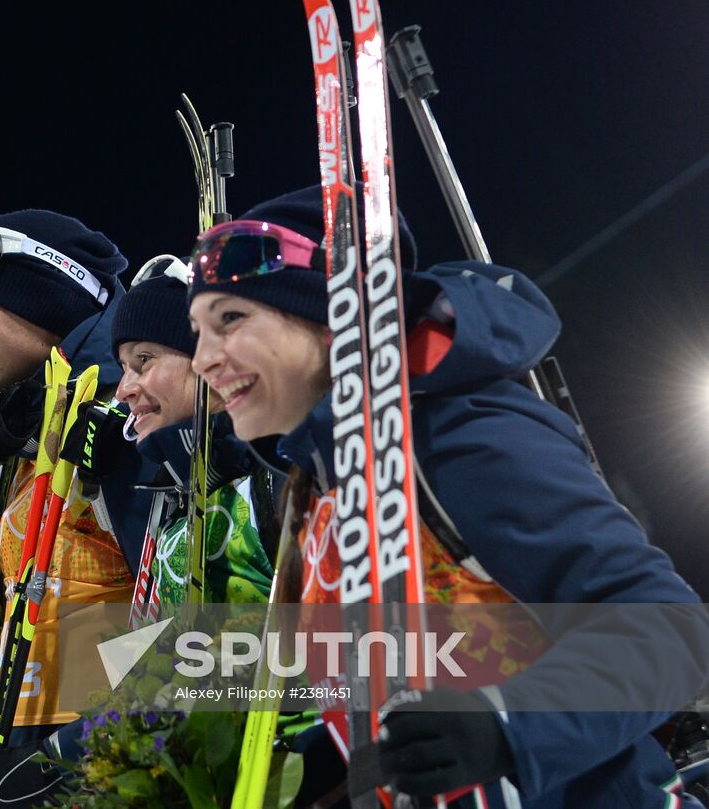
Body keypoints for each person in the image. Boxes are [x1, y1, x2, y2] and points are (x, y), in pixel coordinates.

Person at [187, 185, 709, 808]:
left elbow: (668, 627)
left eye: (231, 320)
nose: (202, 360)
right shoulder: (315, 493)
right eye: (197, 332)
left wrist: (508, 724)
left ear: (330, 321)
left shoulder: (454, 435)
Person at [0, 209, 150, 806]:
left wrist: (64, 760)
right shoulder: (28, 435)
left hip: (115, 779)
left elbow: (202, 629)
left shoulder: (126, 424)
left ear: (46, 302)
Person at [112, 255, 273, 614]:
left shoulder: (273, 480)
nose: (123, 389)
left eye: (143, 360)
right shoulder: (170, 491)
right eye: (123, 368)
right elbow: (158, 640)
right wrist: (109, 669)